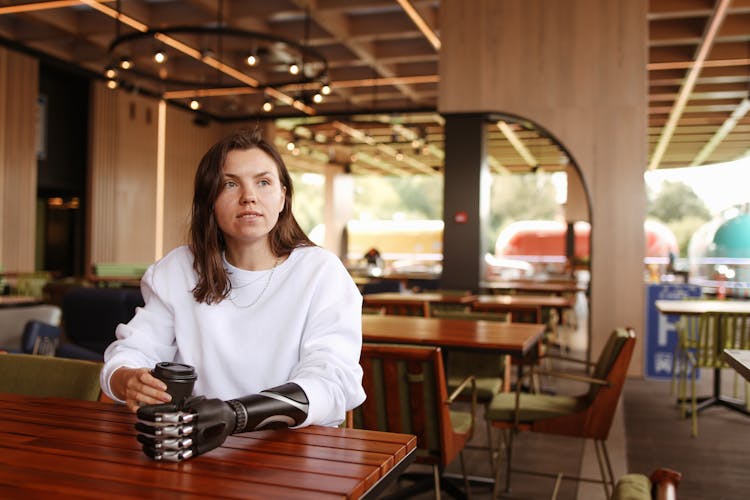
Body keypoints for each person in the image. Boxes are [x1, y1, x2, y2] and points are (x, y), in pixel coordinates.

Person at [100, 129, 366, 462]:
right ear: (208, 200)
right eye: (230, 184)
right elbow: (131, 352)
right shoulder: (178, 269)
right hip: (197, 450)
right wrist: (127, 380)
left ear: (283, 197)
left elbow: (332, 381)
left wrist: (234, 416)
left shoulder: (321, 272)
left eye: (264, 182)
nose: (248, 196)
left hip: (296, 454)